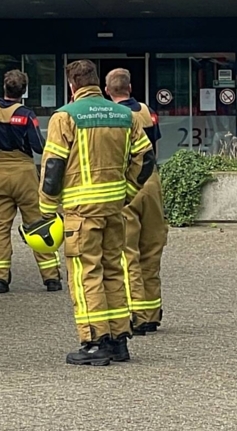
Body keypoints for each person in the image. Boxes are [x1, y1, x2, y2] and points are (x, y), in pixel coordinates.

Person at [39, 60, 154, 366]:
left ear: (72, 86)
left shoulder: (64, 117)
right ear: (97, 83)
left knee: (86, 273)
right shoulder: (124, 115)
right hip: (114, 209)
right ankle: (118, 341)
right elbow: (146, 159)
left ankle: (94, 341)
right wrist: (127, 193)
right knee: (114, 270)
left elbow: (53, 167)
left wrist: (47, 208)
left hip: (80, 213)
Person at [0, 69, 62, 294]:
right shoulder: (26, 114)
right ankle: (51, 277)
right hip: (23, 172)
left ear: (4, 87)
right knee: (38, 223)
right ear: (24, 91)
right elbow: (38, 146)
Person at [104, 68, 168, 334]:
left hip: (126, 182)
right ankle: (153, 312)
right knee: (152, 248)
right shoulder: (146, 111)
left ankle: (137, 314)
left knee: (127, 252)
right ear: (130, 88)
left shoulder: (111, 116)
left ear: (108, 91)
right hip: (151, 181)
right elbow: (154, 143)